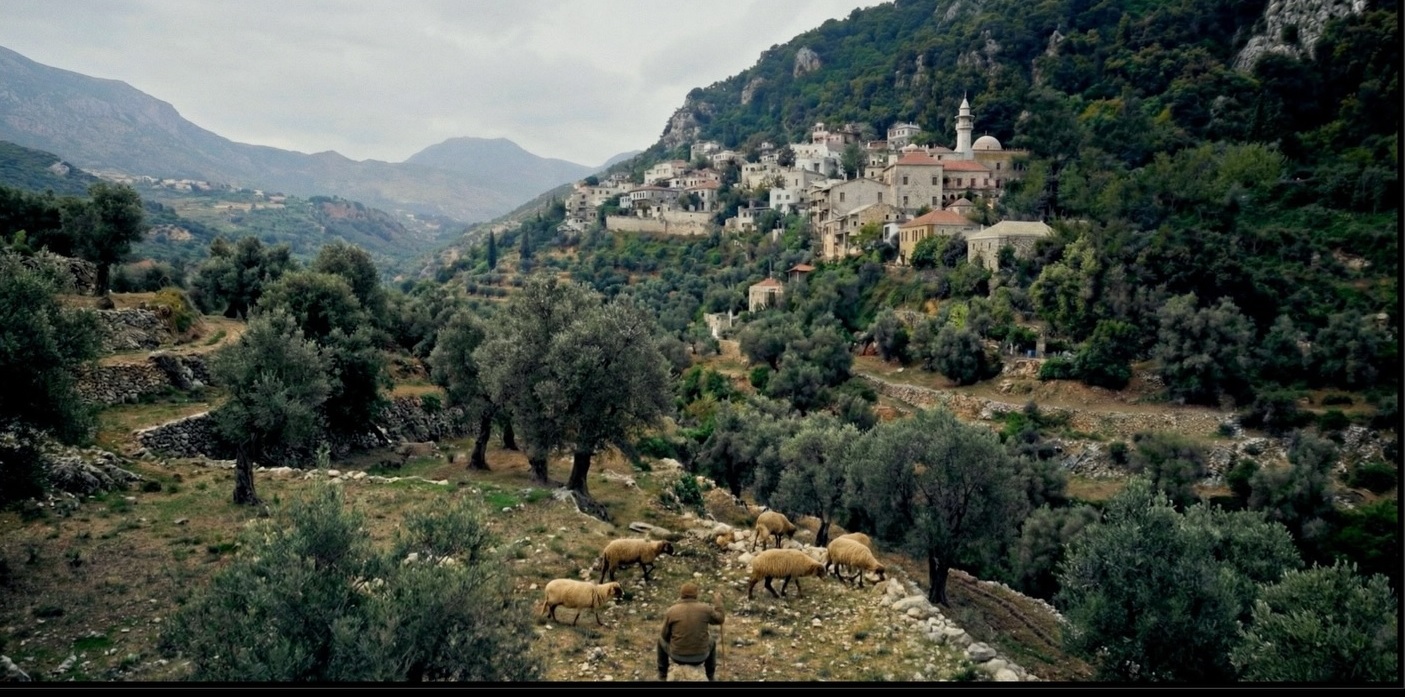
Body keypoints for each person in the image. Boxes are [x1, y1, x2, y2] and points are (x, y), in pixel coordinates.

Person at [657, 582, 725, 681]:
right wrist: (718, 603)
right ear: (696, 594)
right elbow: (720, 619)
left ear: (681, 594)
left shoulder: (671, 611)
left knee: (660, 641)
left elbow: (664, 636)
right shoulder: (705, 609)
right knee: (712, 641)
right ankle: (710, 675)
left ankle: (662, 674)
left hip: (677, 656)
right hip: (701, 657)